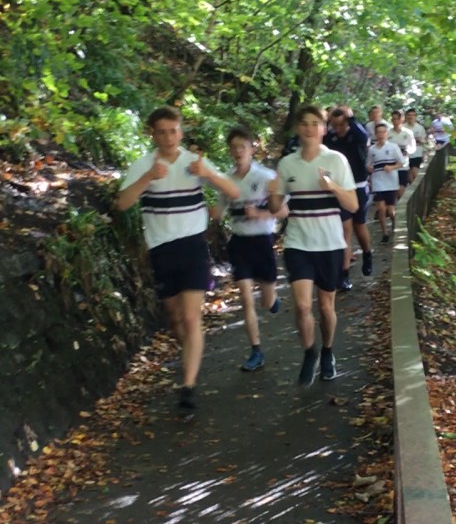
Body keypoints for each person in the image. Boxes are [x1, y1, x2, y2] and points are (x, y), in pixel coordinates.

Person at [116, 105, 240, 411]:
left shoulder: (194, 162)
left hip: (193, 246)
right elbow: (122, 203)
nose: (169, 137)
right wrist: (148, 178)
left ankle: (188, 387)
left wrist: (208, 174)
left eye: (174, 131)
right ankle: (190, 357)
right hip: (161, 249)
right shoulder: (143, 165)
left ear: (181, 132)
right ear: (153, 134)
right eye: (162, 132)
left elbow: (234, 192)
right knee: (174, 318)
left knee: (190, 317)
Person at [268, 105, 358, 386]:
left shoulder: (337, 160)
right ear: (298, 128)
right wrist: (273, 193)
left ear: (323, 129)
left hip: (330, 243)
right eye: (304, 123)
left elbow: (353, 205)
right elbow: (276, 207)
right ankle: (310, 352)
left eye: (315, 123)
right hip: (298, 243)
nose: (309, 128)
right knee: (302, 305)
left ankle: (328, 350)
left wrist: (332, 186)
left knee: (326, 306)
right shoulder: (286, 164)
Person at [216, 126, 286, 372]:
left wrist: (259, 213)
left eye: (242, 147)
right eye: (234, 147)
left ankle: (273, 298)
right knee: (246, 297)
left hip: (263, 241)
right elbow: (219, 211)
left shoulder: (266, 177)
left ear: (252, 149)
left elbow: (284, 211)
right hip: (239, 242)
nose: (238, 151)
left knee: (267, 301)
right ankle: (256, 350)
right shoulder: (225, 179)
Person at [324, 105, 372, 289]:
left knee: (359, 226)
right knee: (345, 231)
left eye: (341, 125)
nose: (338, 129)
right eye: (334, 125)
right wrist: (328, 119)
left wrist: (350, 117)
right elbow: (320, 138)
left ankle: (367, 253)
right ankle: (344, 275)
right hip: (339, 188)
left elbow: (364, 136)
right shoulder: (331, 138)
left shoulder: (356, 136)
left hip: (358, 187)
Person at [367, 122, 406, 243]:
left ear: (387, 133)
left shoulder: (393, 147)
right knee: (381, 209)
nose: (381, 134)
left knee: (390, 210)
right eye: (378, 132)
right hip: (378, 181)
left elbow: (401, 162)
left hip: (391, 182)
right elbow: (368, 164)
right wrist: (369, 168)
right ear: (375, 134)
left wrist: (391, 167)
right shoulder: (372, 149)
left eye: (383, 132)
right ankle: (385, 232)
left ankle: (395, 224)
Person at [389, 110, 416, 198]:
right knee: (394, 191)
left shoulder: (408, 133)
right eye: (393, 119)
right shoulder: (388, 133)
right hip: (391, 166)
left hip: (403, 165)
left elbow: (413, 147)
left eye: (397, 119)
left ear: (402, 119)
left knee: (401, 189)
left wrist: (408, 151)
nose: (395, 121)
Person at [404, 107, 428, 182]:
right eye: (409, 115)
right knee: (409, 173)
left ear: (415, 116)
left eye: (412, 115)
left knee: (415, 171)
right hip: (406, 154)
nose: (411, 117)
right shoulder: (403, 127)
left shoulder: (420, 128)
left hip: (417, 153)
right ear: (406, 116)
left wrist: (425, 153)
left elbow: (424, 141)